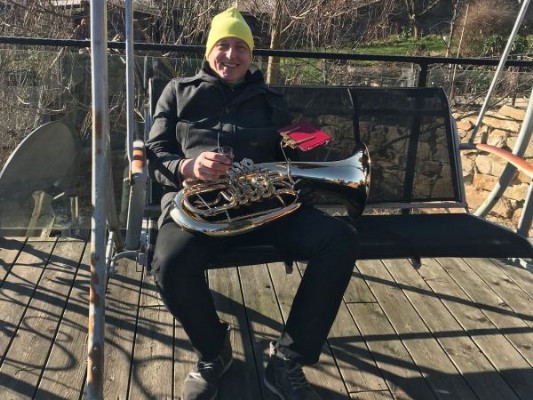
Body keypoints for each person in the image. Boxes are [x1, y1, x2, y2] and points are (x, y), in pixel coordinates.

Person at [146, 7, 358, 400]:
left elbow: (296, 153)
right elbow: (155, 153)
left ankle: (288, 359)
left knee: (339, 239)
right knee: (169, 263)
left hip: (266, 209)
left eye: (240, 47)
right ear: (209, 50)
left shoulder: (272, 99)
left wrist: (302, 176)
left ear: (251, 55)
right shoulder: (178, 91)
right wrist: (189, 166)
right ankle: (213, 351)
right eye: (223, 45)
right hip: (201, 211)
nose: (231, 55)